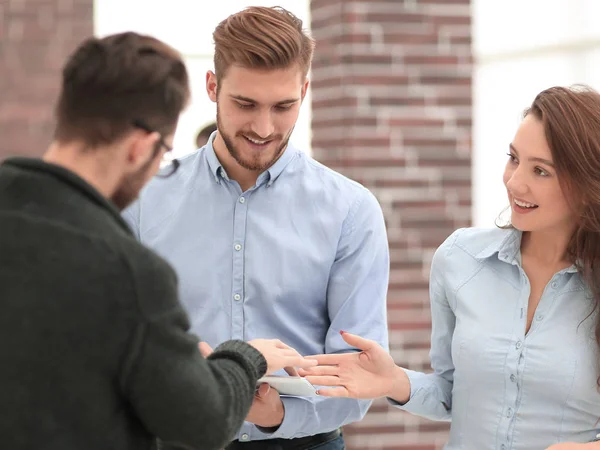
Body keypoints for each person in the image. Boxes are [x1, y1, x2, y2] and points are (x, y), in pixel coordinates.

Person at [0, 31, 317, 450]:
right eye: (163, 153)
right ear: (140, 149)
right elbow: (200, 421)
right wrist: (246, 357)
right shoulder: (127, 272)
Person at [123, 6, 390, 449]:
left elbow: (359, 371)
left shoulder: (351, 210)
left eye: (283, 106)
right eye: (245, 104)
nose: (264, 128)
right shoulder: (142, 200)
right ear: (212, 87)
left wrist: (278, 414)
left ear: (304, 91)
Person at [301, 85, 600, 449]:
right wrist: (393, 380)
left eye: (541, 171)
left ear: (586, 185)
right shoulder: (460, 259)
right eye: (514, 158)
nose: (515, 181)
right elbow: (451, 392)